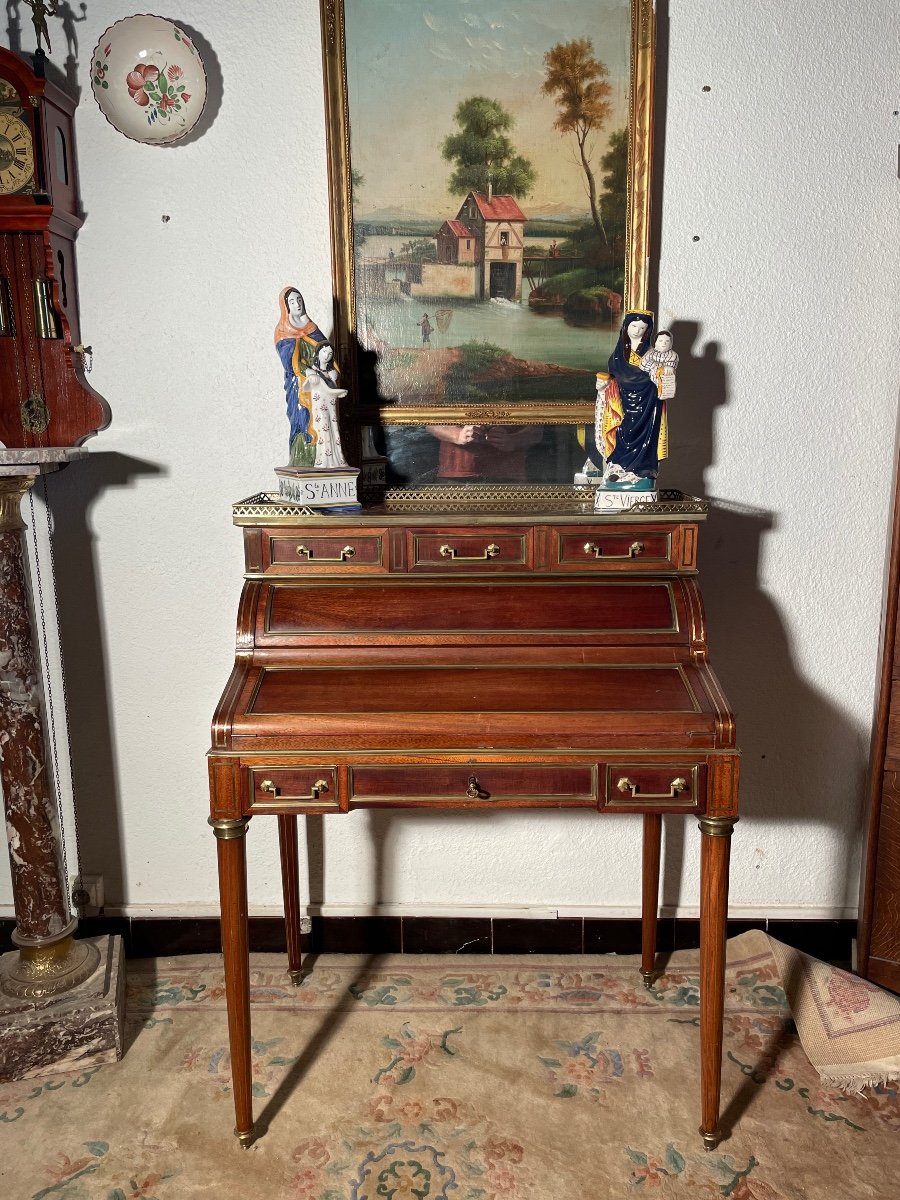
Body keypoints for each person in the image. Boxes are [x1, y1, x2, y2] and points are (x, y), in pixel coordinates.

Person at [595, 310, 665, 489]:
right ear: (626, 327)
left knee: (646, 438)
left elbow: (659, 376)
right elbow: (612, 377)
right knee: (621, 434)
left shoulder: (652, 354)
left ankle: (642, 474)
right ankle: (619, 469)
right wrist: (603, 386)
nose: (637, 330)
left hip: (648, 403)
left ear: (648, 330)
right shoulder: (618, 354)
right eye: (633, 326)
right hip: (623, 403)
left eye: (642, 327)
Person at [274, 287, 332, 465]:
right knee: (301, 416)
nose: (297, 304)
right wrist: (306, 370)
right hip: (297, 384)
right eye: (292, 302)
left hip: (317, 384)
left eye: (299, 300)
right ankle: (303, 458)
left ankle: (324, 456)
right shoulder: (283, 332)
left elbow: (325, 348)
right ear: (286, 307)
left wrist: (327, 366)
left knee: (320, 417)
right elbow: (287, 361)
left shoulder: (312, 328)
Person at [426, 424, 542, 481]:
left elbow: (539, 426)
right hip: (458, 474)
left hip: (508, 475)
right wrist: (458, 435)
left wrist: (514, 440)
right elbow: (429, 421)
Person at [302, 344, 350, 469]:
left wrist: (336, 385)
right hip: (318, 403)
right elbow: (305, 387)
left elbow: (332, 389)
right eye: (324, 352)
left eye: (330, 354)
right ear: (317, 353)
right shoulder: (311, 370)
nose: (326, 356)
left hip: (331, 404)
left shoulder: (332, 372)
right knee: (323, 428)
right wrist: (311, 377)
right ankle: (323, 459)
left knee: (333, 426)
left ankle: (337, 459)